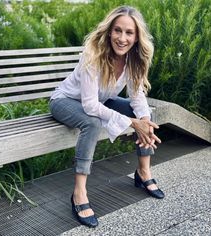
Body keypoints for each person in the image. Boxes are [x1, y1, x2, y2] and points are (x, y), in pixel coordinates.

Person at [49, 5, 165, 228]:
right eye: (117, 31)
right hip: (64, 102)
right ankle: (79, 193)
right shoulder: (92, 54)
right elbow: (90, 106)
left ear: (136, 36)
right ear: (109, 31)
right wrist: (132, 123)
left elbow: (137, 97)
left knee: (144, 113)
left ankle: (143, 172)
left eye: (129, 33)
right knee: (92, 123)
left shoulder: (134, 58)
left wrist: (142, 120)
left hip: (98, 101)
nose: (122, 38)